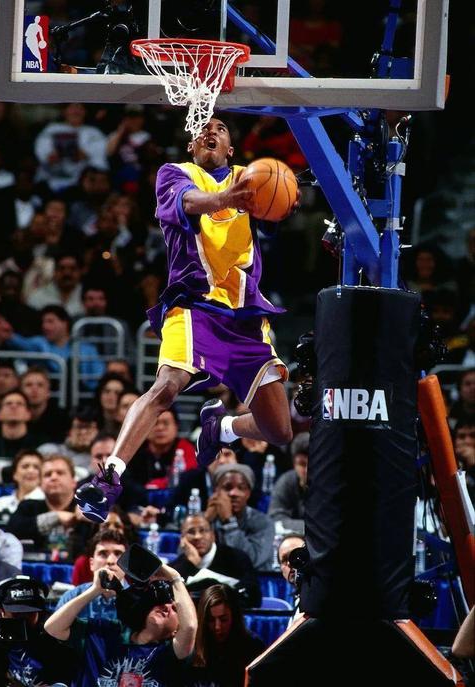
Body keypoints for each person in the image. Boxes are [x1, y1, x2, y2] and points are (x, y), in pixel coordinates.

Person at [76, 117, 295, 522]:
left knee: (279, 430)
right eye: (202, 128)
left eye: (221, 128)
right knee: (166, 387)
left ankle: (222, 428)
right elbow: (192, 203)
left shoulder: (252, 178)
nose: (210, 131)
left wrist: (281, 201)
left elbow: (271, 219)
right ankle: (109, 478)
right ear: (192, 146)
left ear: (231, 149)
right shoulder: (174, 174)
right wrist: (230, 196)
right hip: (194, 304)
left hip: (246, 314)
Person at [44, 563, 197, 687]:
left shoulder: (171, 653)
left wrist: (174, 577)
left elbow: (190, 626)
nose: (167, 607)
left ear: (176, 631)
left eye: (175, 609)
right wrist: (95, 590)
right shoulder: (106, 633)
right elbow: (53, 628)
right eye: (161, 603)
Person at [172, 513, 261, 607]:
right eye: (191, 532)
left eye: (203, 530)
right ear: (182, 539)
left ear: (213, 535)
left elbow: (254, 597)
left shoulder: (236, 558)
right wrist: (189, 564)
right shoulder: (175, 568)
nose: (197, 536)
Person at [187, 583, 265, 687]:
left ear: (234, 617)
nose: (217, 627)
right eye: (211, 620)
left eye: (223, 620)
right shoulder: (192, 646)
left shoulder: (253, 646)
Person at [55, 529, 127, 620]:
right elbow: (52, 629)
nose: (110, 561)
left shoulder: (140, 600)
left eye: (118, 554)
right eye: (103, 554)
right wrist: (93, 592)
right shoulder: (71, 597)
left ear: (127, 563)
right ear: (91, 564)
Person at [0, 389, 47, 461]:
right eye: (8, 404)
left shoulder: (41, 446)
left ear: (28, 414)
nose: (14, 406)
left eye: (19, 404)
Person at [268, 431, 309, 535]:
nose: (307, 470)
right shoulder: (286, 481)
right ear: (294, 464)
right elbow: (275, 519)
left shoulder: (329, 484)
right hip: (292, 538)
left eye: (313, 463)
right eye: (302, 464)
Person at [0, 449, 45, 515]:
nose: (30, 471)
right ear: (14, 474)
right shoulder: (0, 504)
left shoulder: (48, 504)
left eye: (36, 467)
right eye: (25, 466)